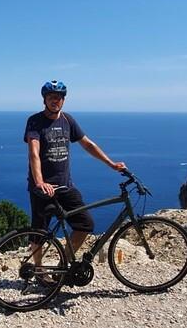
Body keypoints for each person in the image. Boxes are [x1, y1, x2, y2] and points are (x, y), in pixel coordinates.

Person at [24, 80, 126, 278]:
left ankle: (62, 267)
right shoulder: (35, 121)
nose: (55, 101)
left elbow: (87, 144)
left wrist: (111, 163)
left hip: (65, 186)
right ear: (44, 99)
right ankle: (39, 271)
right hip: (42, 188)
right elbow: (33, 153)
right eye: (51, 97)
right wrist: (40, 182)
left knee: (85, 224)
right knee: (39, 232)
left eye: (59, 97)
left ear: (63, 100)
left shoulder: (67, 120)